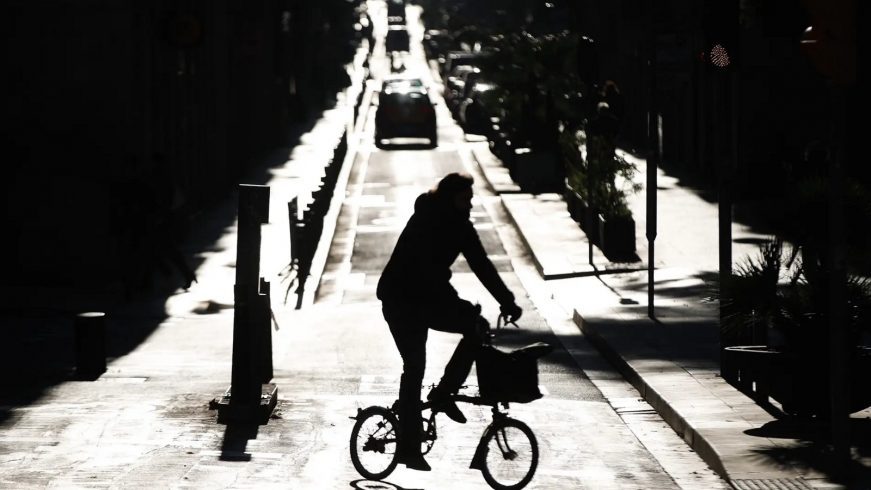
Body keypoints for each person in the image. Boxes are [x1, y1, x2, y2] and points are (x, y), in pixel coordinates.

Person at [376, 172, 523, 471]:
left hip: (425, 299)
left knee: (476, 327)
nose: (470, 204)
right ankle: (408, 448)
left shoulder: (461, 227)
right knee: (414, 367)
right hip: (401, 301)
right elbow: (428, 275)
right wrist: (460, 306)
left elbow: (482, 264)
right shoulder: (426, 221)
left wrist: (507, 301)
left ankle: (444, 392)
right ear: (450, 198)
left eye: (470, 199)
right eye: (465, 199)